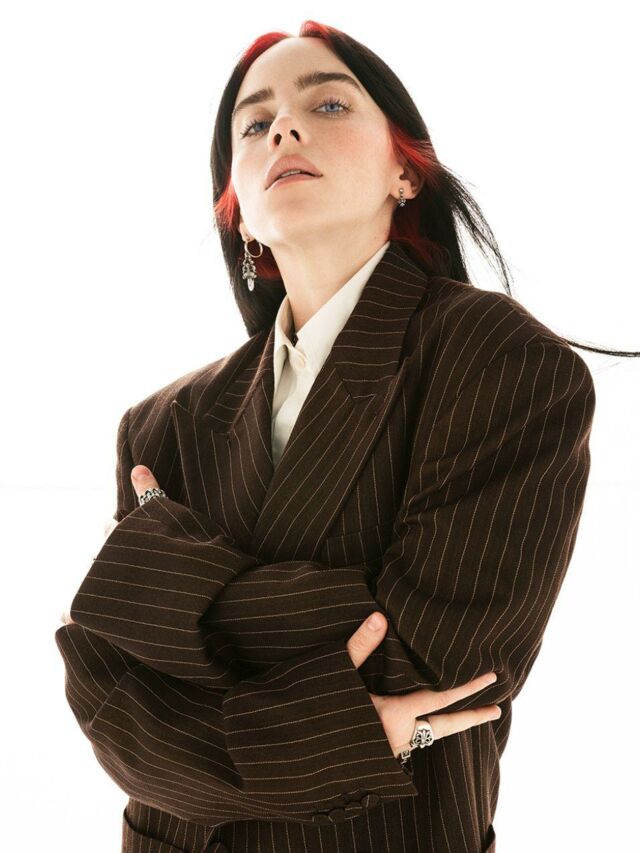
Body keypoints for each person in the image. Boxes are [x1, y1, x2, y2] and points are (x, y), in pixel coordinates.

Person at [55, 20, 596, 853]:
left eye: (328, 104)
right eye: (254, 123)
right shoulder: (159, 425)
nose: (284, 129)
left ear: (405, 172)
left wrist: (177, 590)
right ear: (236, 207)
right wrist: (338, 726)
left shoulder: (499, 359)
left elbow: (436, 669)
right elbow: (110, 705)